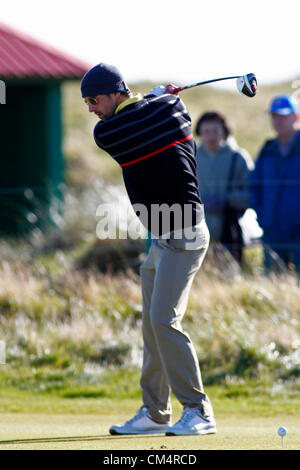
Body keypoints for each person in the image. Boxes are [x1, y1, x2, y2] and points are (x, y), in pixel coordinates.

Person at [81, 63, 216, 436]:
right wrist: (158, 96)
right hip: (161, 237)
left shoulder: (140, 119)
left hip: (185, 234)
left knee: (164, 320)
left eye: (94, 99)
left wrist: (156, 96)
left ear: (116, 92)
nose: (92, 108)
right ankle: (156, 413)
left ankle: (198, 411)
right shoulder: (160, 112)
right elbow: (147, 116)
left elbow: (137, 119)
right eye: (87, 102)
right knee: (151, 326)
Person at [250, 94, 300, 275]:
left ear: (295, 117)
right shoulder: (267, 149)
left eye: (282, 116)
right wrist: (263, 217)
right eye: (274, 116)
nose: (277, 121)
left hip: (298, 233)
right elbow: (254, 186)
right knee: (274, 281)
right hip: (272, 230)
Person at [195, 111, 253, 263]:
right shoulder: (191, 158)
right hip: (195, 234)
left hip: (231, 231)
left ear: (225, 132)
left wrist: (227, 200)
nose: (211, 136)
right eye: (206, 131)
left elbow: (253, 194)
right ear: (199, 132)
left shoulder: (238, 158)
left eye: (216, 131)